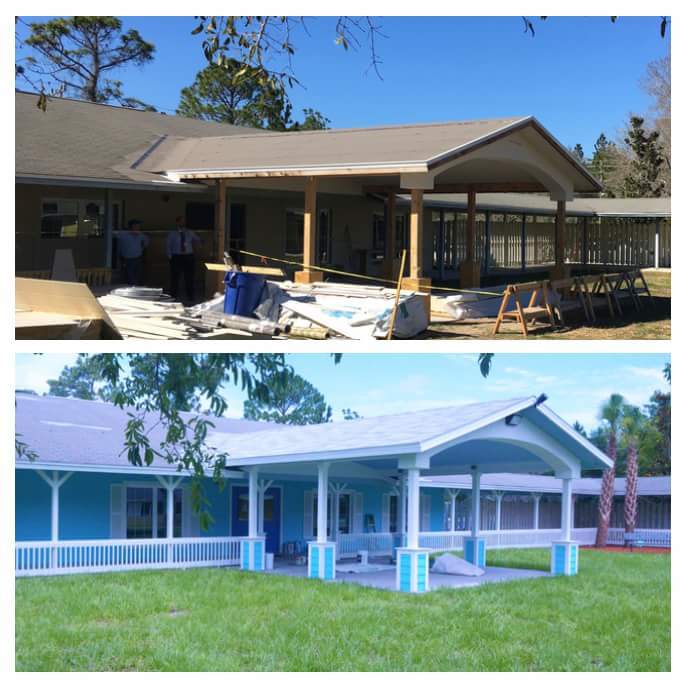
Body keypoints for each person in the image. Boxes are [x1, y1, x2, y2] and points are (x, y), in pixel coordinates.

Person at [166, 216, 201, 302]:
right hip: (176, 256)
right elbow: (168, 245)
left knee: (189, 277)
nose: (182, 223)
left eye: (184, 222)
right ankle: (173, 295)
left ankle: (190, 296)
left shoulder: (190, 232)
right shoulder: (172, 233)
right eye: (180, 222)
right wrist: (170, 257)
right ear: (177, 223)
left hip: (188, 256)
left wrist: (199, 244)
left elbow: (197, 239)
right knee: (175, 277)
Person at [117, 219, 149, 286]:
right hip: (127, 259)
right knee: (129, 277)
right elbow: (117, 243)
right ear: (131, 227)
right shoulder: (123, 235)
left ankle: (138, 291)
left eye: (138, 226)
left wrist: (141, 249)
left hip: (138, 258)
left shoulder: (141, 235)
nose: (137, 228)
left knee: (139, 276)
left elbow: (146, 244)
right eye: (136, 226)